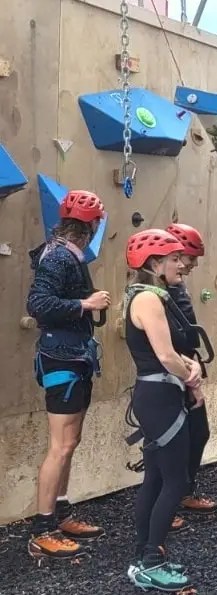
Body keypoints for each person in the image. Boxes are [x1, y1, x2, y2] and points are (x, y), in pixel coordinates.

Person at [26, 190, 109, 560]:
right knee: (60, 445)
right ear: (92, 224)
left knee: (70, 442)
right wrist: (86, 304)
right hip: (61, 360)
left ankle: (60, 511)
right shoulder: (59, 256)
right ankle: (42, 529)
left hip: (73, 358)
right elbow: (39, 304)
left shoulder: (65, 253)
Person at [123, 228, 204, 591]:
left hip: (158, 395)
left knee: (156, 478)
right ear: (155, 263)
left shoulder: (149, 295)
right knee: (174, 481)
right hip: (160, 395)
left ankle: (145, 556)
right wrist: (192, 379)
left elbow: (172, 353)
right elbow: (165, 356)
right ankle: (151, 561)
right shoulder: (149, 300)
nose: (182, 263)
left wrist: (191, 366)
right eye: (174, 258)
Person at [164, 223, 217, 528]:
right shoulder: (156, 293)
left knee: (198, 432)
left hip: (187, 364)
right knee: (171, 440)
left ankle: (183, 492)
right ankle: (165, 503)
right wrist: (185, 371)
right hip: (171, 371)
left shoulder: (176, 285)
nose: (191, 266)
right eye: (189, 259)